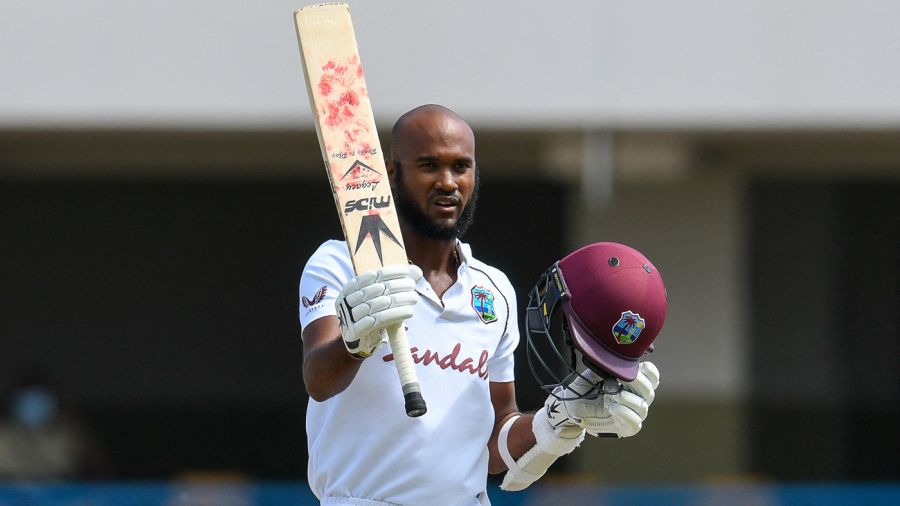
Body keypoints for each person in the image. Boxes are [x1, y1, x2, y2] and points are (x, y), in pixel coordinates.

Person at [298, 104, 665, 505]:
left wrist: (560, 417)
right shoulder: (341, 263)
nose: (447, 182)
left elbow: (494, 443)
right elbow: (318, 380)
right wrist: (355, 343)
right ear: (390, 173)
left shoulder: (494, 289)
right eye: (428, 165)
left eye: (461, 167)